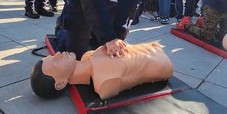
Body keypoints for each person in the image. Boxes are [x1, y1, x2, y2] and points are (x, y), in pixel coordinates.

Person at [30, 42, 173, 99]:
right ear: (60, 83)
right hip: (162, 63)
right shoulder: (104, 83)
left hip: (154, 48)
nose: (59, 53)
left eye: (53, 55)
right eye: (55, 61)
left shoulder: (88, 56)